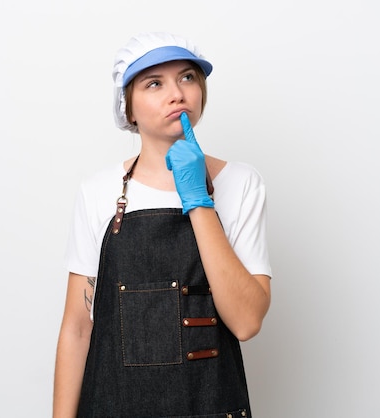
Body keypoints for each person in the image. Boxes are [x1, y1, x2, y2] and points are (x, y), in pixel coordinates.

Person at [52, 32, 272, 417]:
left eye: (187, 77)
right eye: (155, 83)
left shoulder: (240, 183)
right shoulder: (98, 192)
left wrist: (198, 201)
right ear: (129, 109)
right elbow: (77, 327)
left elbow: (246, 321)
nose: (177, 93)